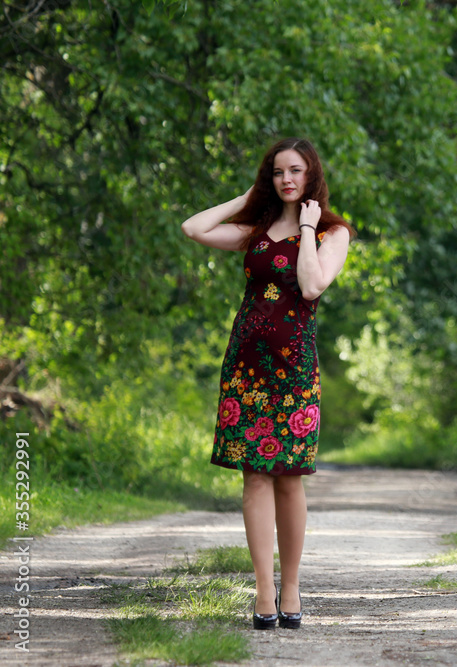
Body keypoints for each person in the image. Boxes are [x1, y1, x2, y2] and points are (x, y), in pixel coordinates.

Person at [181, 137, 353, 630]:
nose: (286, 179)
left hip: (294, 370)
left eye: (295, 170)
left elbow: (312, 285)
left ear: (311, 174)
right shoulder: (256, 229)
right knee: (253, 475)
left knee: (289, 477)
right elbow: (193, 228)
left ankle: (292, 586)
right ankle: (262, 589)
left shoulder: (332, 233)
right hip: (245, 368)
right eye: (277, 172)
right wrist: (250, 195)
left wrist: (304, 226)